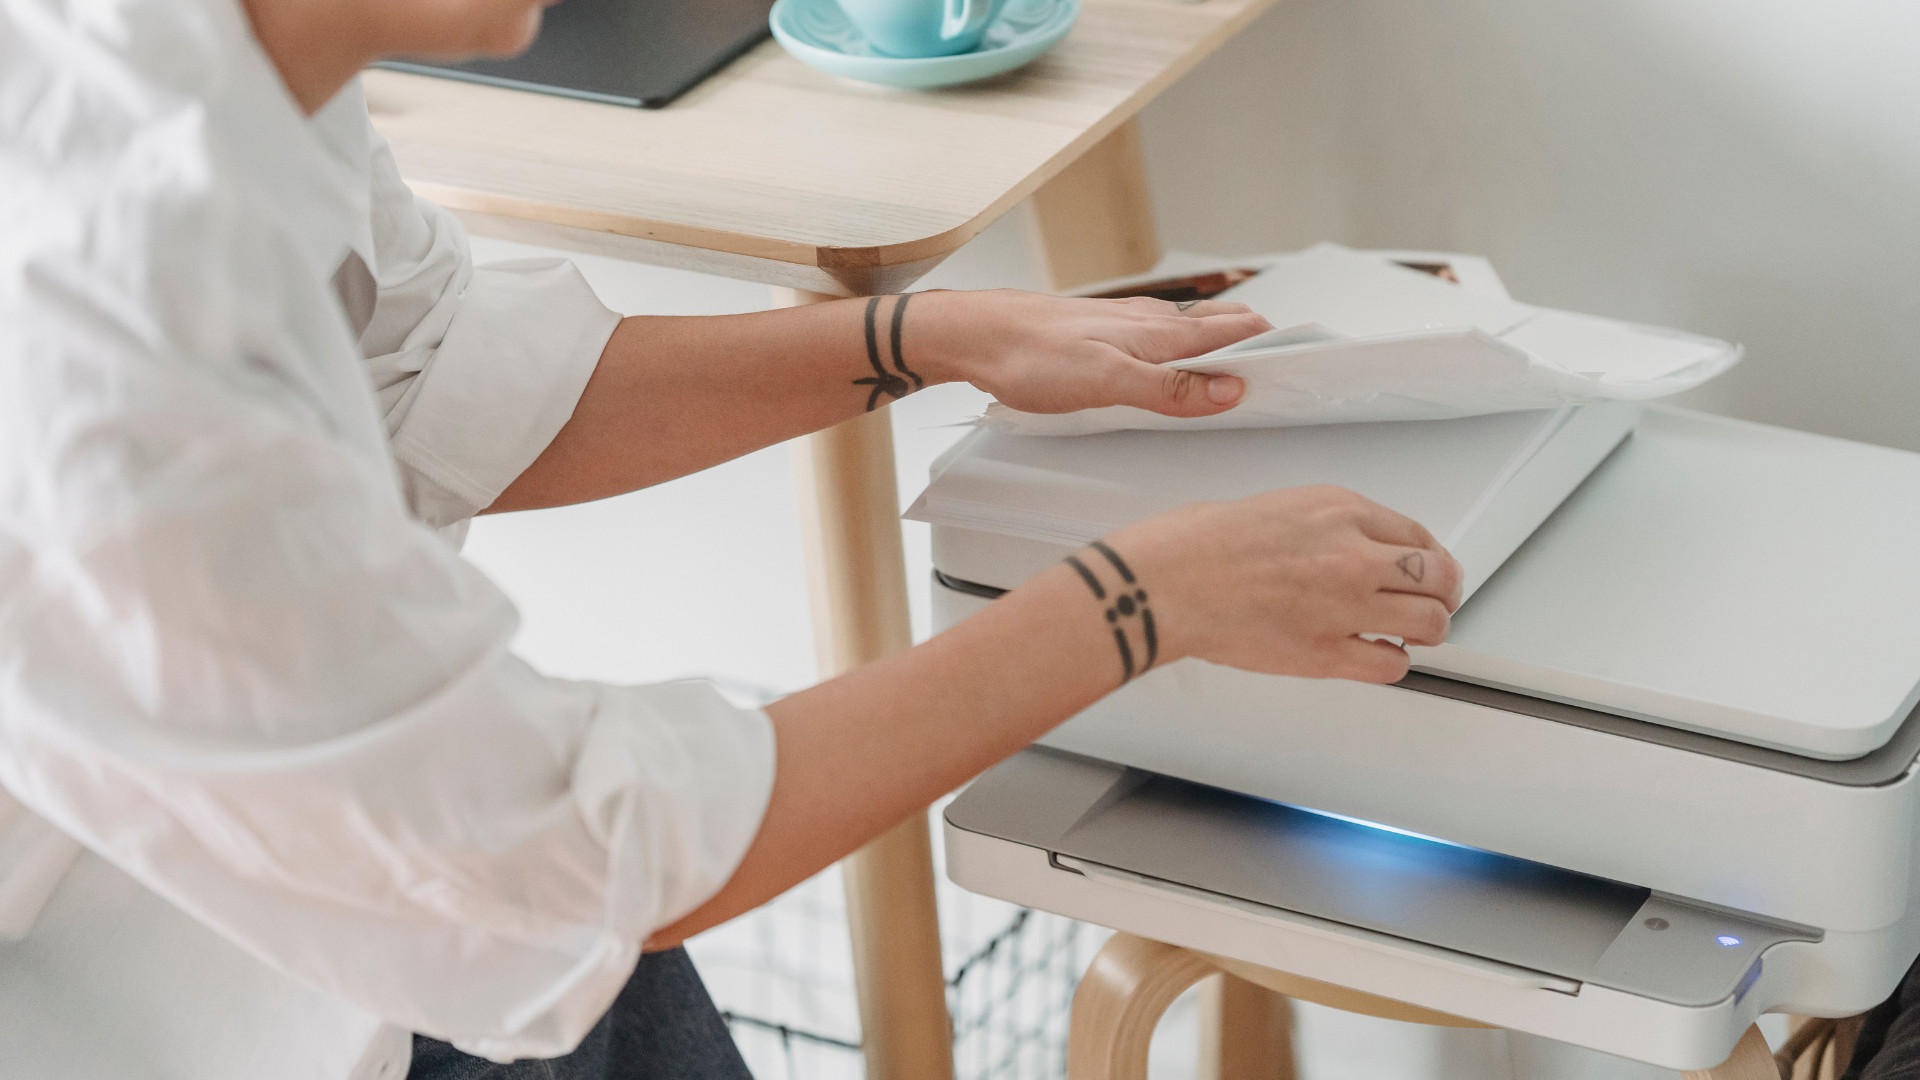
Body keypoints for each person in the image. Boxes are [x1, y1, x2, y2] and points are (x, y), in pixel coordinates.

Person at [0, 0, 1464, 1076]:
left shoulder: (242, 65)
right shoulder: (103, 300)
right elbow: (573, 859)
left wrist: (932, 336)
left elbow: (431, 378)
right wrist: (1138, 602)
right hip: (147, 986)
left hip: (379, 894)